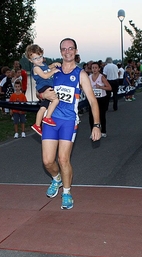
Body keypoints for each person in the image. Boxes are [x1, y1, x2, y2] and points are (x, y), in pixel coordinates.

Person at [40, 38, 101, 210]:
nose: (67, 51)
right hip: (51, 120)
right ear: (60, 52)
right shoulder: (54, 71)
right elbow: (42, 90)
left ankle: (66, 192)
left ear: (75, 50)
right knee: (47, 161)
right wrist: (43, 95)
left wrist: (96, 125)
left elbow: (92, 101)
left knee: (63, 158)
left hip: (68, 121)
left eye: (70, 48)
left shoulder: (81, 74)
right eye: (64, 49)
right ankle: (56, 179)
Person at [25, 44, 61, 136]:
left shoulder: (43, 65)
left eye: (40, 57)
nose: (39, 59)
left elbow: (47, 68)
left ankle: (37, 124)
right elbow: (45, 75)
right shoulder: (36, 68)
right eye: (36, 58)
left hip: (45, 87)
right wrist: (53, 71)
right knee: (55, 100)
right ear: (30, 60)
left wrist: (53, 65)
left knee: (43, 107)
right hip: (43, 87)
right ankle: (47, 118)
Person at [89, 62, 111, 138]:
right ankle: (93, 132)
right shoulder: (89, 77)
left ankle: (103, 131)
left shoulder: (102, 77)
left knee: (101, 115)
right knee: (91, 116)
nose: (94, 69)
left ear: (99, 69)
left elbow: (109, 87)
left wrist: (101, 87)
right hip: (92, 99)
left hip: (101, 98)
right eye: (93, 68)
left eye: (96, 68)